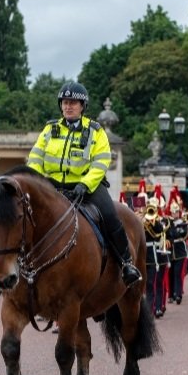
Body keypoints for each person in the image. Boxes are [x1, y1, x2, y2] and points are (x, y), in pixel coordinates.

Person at [26, 81, 141, 287]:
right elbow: (35, 158)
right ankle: (16, 264)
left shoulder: (96, 131)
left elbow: (101, 162)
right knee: (23, 215)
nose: (68, 106)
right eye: (65, 102)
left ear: (82, 106)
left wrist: (85, 184)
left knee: (110, 215)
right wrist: (38, 182)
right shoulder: (49, 129)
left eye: (74, 102)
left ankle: (126, 263)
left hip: (86, 187)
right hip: (51, 187)